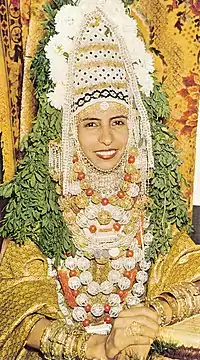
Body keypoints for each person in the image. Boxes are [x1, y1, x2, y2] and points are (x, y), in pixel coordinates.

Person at [1, 1, 200, 359]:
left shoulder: (149, 197)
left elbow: (191, 271)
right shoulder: (41, 200)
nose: (107, 139)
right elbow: (15, 304)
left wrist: (152, 316)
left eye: (118, 121)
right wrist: (94, 347)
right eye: (91, 123)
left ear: (135, 125)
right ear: (68, 131)